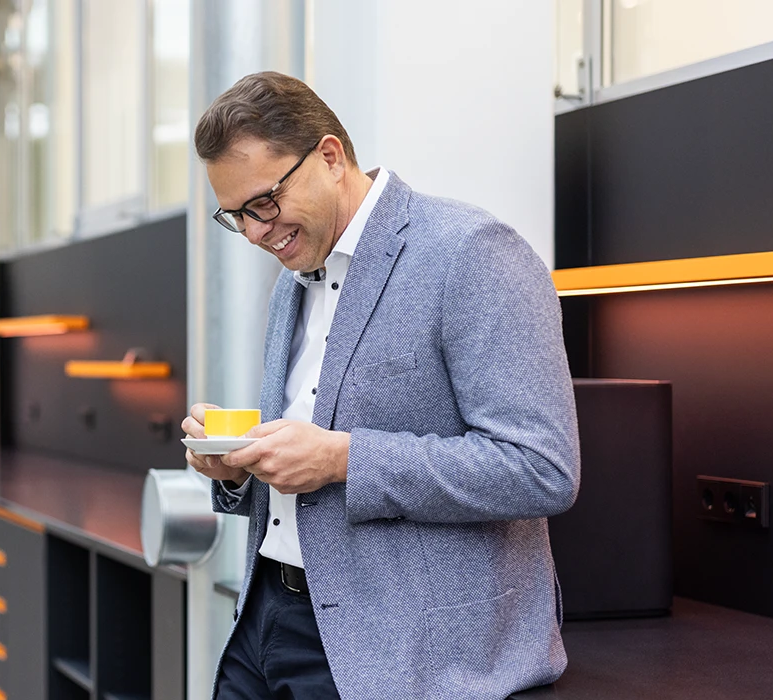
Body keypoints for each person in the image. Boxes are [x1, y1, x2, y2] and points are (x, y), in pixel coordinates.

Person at [182, 72, 581, 699]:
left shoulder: (470, 252)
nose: (256, 232)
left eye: (263, 203)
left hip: (400, 649)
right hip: (265, 618)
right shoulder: (294, 276)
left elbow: (541, 468)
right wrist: (237, 471)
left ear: (331, 157)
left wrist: (343, 459)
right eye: (237, 217)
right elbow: (305, 459)